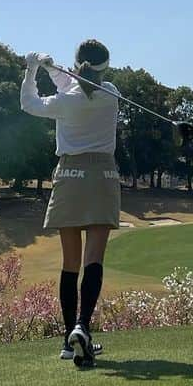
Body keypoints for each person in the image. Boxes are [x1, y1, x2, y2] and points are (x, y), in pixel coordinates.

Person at [20, 39, 121, 368]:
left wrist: (33, 68)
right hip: (103, 176)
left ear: (77, 64)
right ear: (105, 67)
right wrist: (52, 68)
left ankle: (69, 340)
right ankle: (83, 328)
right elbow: (78, 87)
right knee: (94, 258)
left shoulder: (65, 102)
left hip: (70, 175)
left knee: (71, 262)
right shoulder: (112, 95)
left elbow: (29, 104)